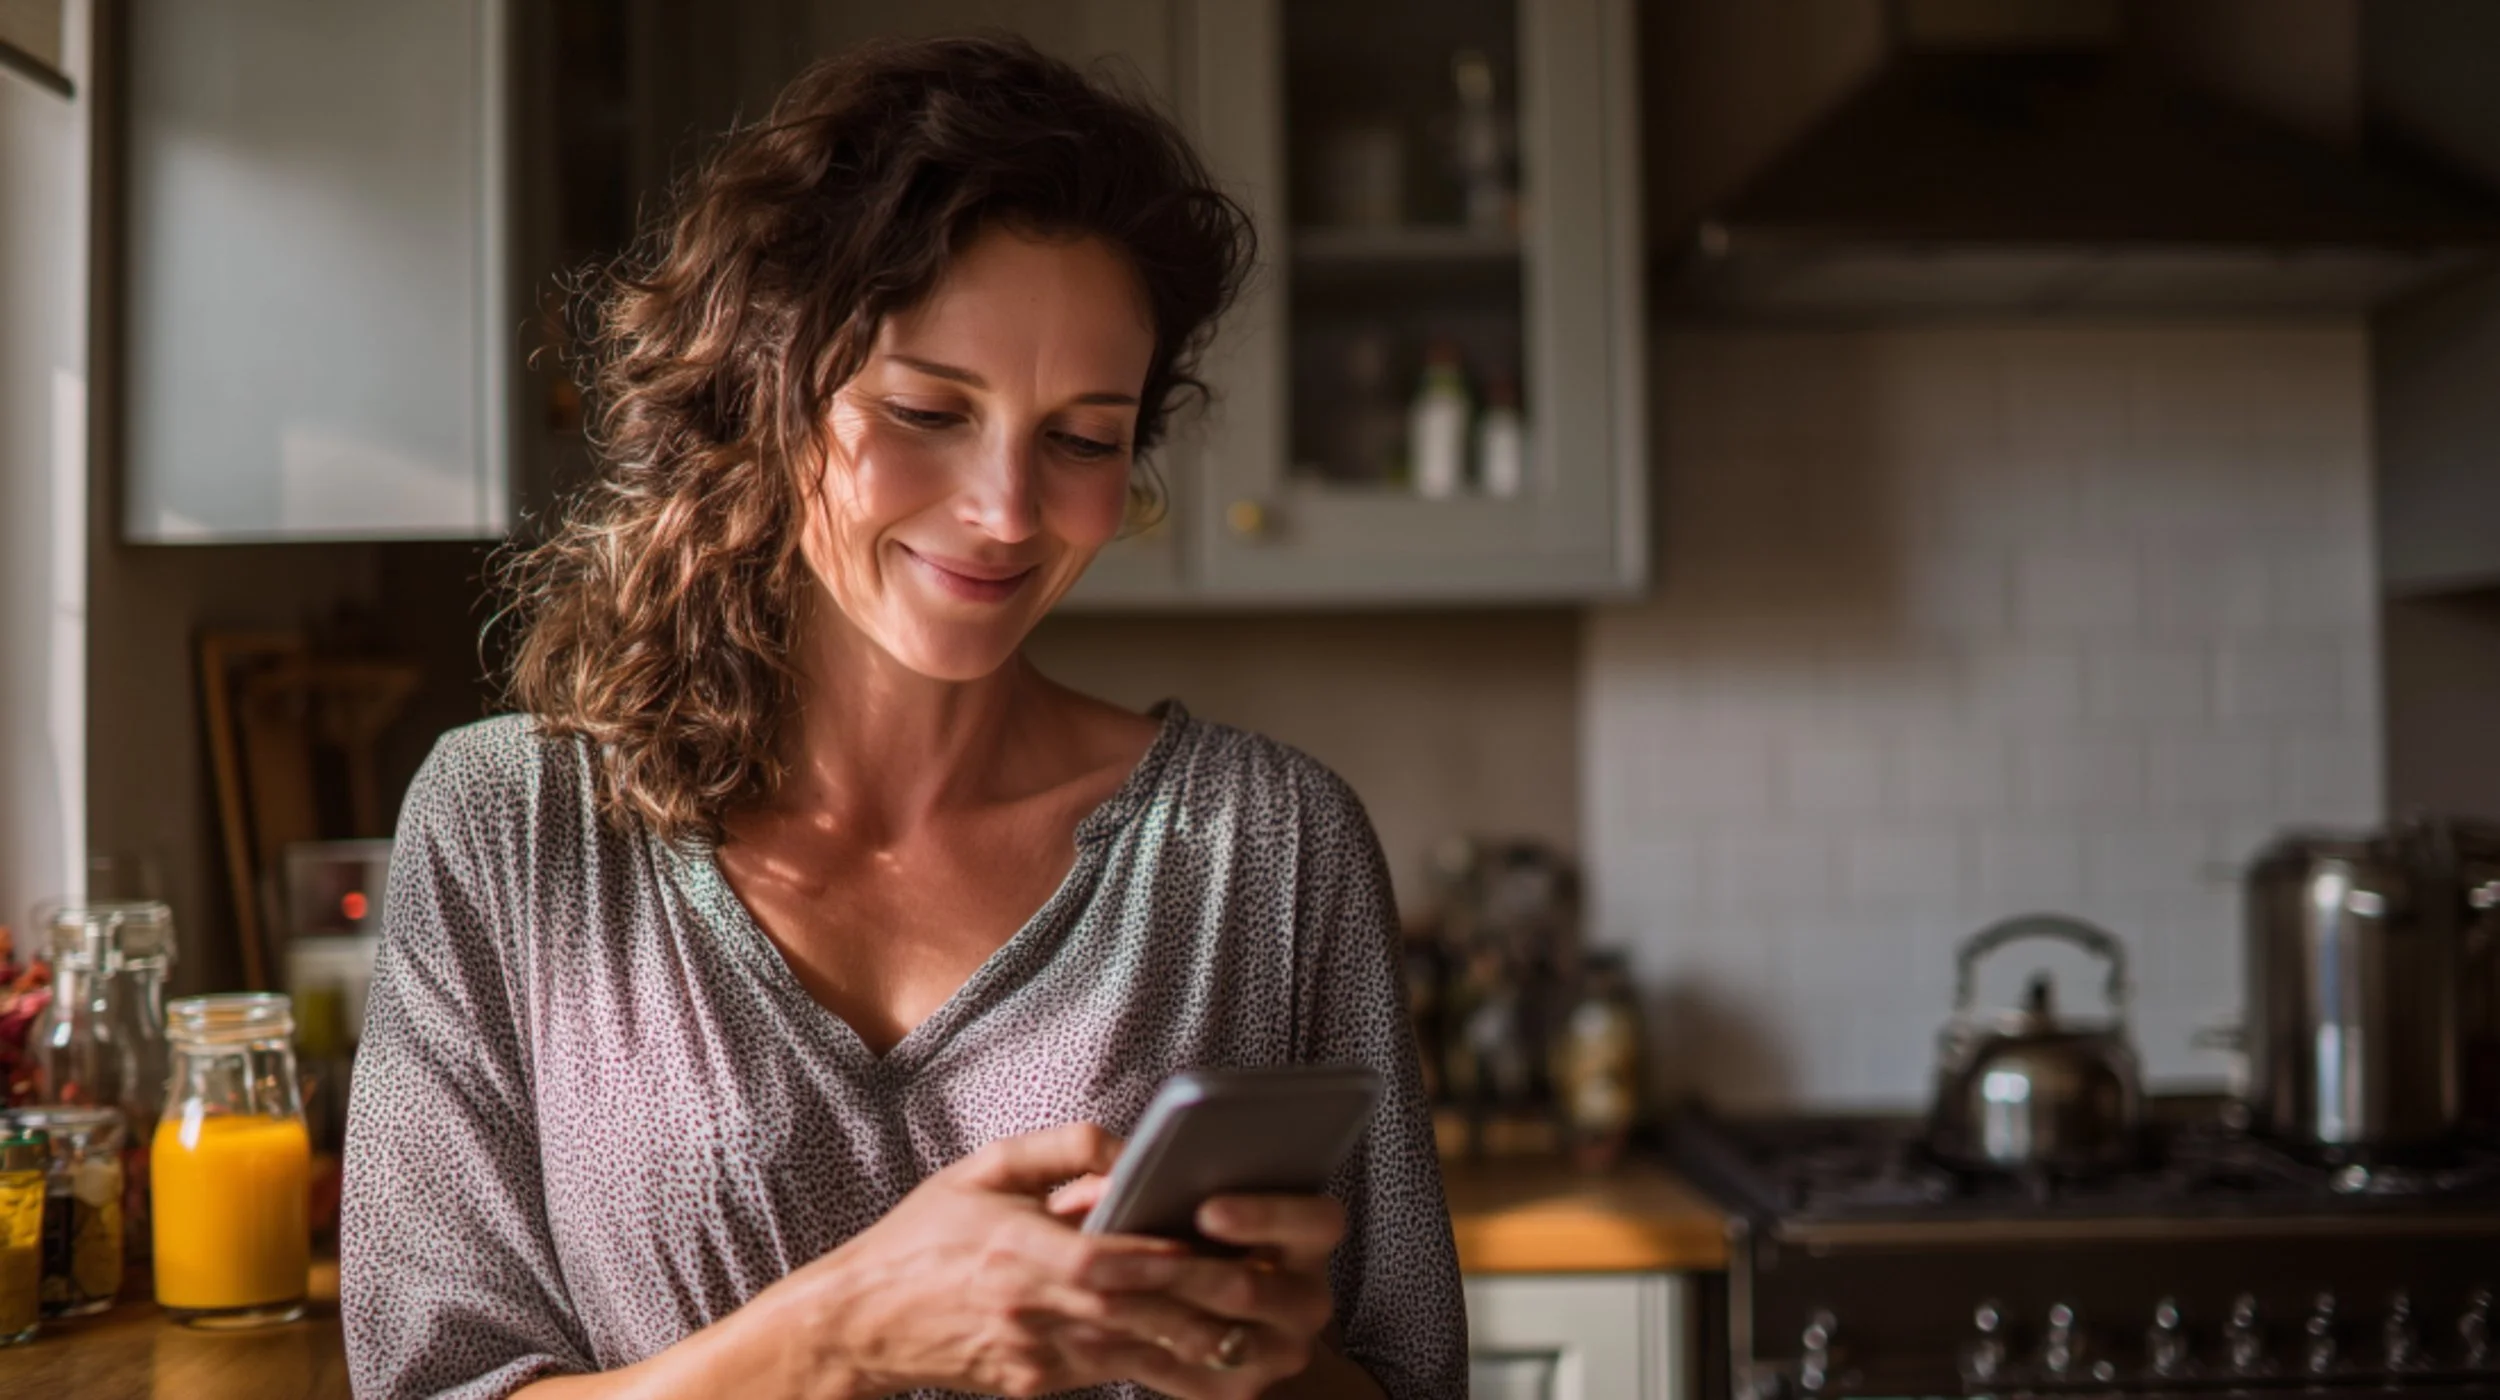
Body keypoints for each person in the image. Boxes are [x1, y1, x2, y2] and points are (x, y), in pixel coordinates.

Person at [340, 33, 1465, 1400]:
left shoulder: (1267, 849)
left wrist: (1260, 1361)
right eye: (929, 409)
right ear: (772, 396)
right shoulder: (509, 834)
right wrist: (847, 1332)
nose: (1005, 511)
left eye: (1084, 438)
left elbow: (1408, 1377)